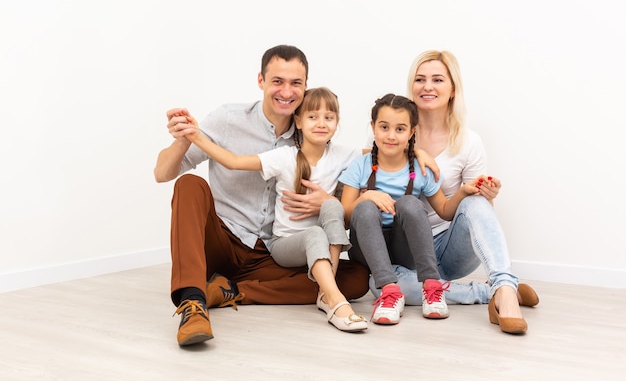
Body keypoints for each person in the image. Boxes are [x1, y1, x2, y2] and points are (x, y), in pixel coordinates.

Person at [153, 45, 371, 346]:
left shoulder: (312, 132)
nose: (286, 91)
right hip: (224, 240)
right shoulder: (228, 118)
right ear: (261, 81)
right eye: (277, 81)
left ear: (305, 86)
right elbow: (162, 174)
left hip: (270, 253)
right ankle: (193, 302)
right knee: (189, 184)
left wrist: (415, 153)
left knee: (357, 279)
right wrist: (184, 139)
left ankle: (231, 290)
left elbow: (372, 157)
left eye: (296, 83)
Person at [183, 87, 367, 332]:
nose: (321, 123)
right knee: (316, 234)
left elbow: (382, 152)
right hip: (283, 246)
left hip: (315, 252)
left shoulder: (343, 155)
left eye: (328, 117)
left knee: (358, 273)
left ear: (337, 122)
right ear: (298, 121)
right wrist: (197, 137)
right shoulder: (285, 156)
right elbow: (234, 162)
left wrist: (416, 153)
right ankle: (335, 300)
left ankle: (325, 288)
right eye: (313, 117)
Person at [395, 49, 540, 334]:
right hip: (408, 253)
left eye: (437, 80)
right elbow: (367, 169)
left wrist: (486, 195)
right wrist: (414, 152)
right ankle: (488, 293)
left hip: (449, 250)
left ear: (452, 90)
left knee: (475, 202)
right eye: (420, 79)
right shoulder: (393, 133)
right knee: (383, 288)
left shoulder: (469, 141)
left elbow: (476, 214)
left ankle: (504, 289)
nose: (427, 87)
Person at [339, 93, 482, 325]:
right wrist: (370, 196)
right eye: (384, 127)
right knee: (365, 207)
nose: (391, 136)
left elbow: (445, 211)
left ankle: (431, 285)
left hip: (404, 250)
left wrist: (464, 191)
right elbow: (345, 216)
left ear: (412, 132)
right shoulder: (360, 166)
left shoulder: (421, 170)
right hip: (366, 248)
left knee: (409, 203)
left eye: (400, 129)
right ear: (373, 128)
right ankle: (389, 291)